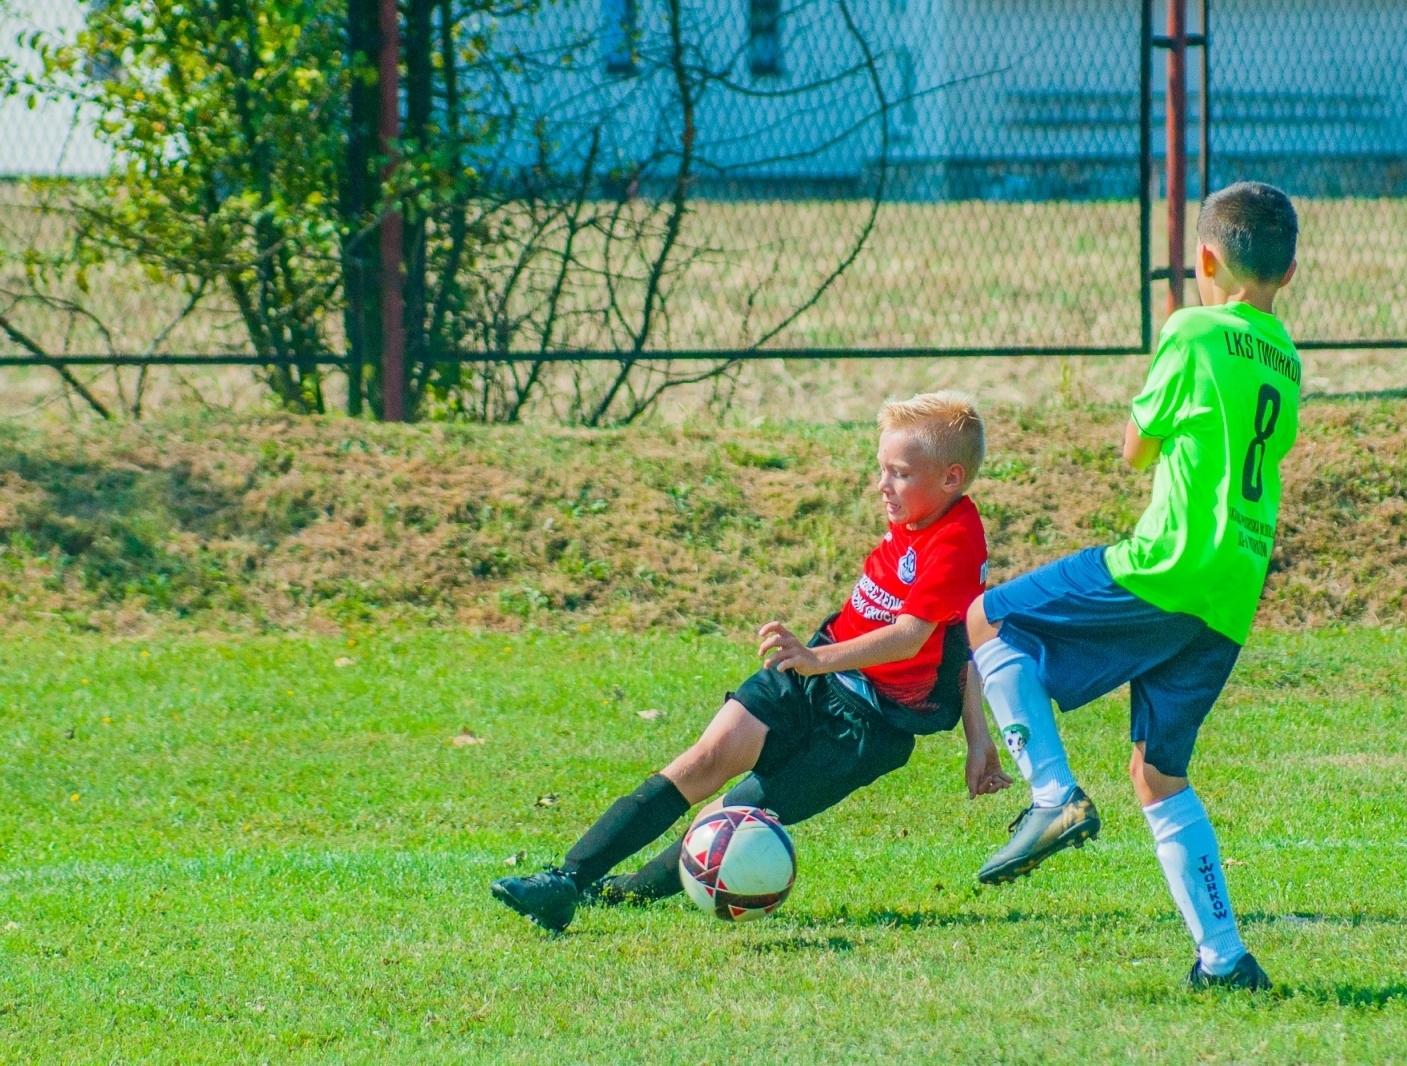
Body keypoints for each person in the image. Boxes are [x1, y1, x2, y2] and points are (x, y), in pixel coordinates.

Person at [493, 391, 1012, 932]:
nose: (883, 485)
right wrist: (815, 664)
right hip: (811, 678)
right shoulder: (919, 511)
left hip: (867, 729)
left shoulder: (957, 540)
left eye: (900, 473)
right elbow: (960, 635)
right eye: (881, 469)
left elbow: (916, 638)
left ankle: (623, 896)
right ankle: (565, 882)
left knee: (729, 820)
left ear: (951, 478)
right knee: (706, 758)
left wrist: (976, 736)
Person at [966, 181, 1302, 991]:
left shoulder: (1191, 330)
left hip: (1168, 564)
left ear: (1205, 259)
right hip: (1232, 591)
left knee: (988, 619)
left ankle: (1052, 794)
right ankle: (1224, 961)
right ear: (1288, 276)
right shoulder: (1287, 357)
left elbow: (1134, 448)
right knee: (1157, 772)